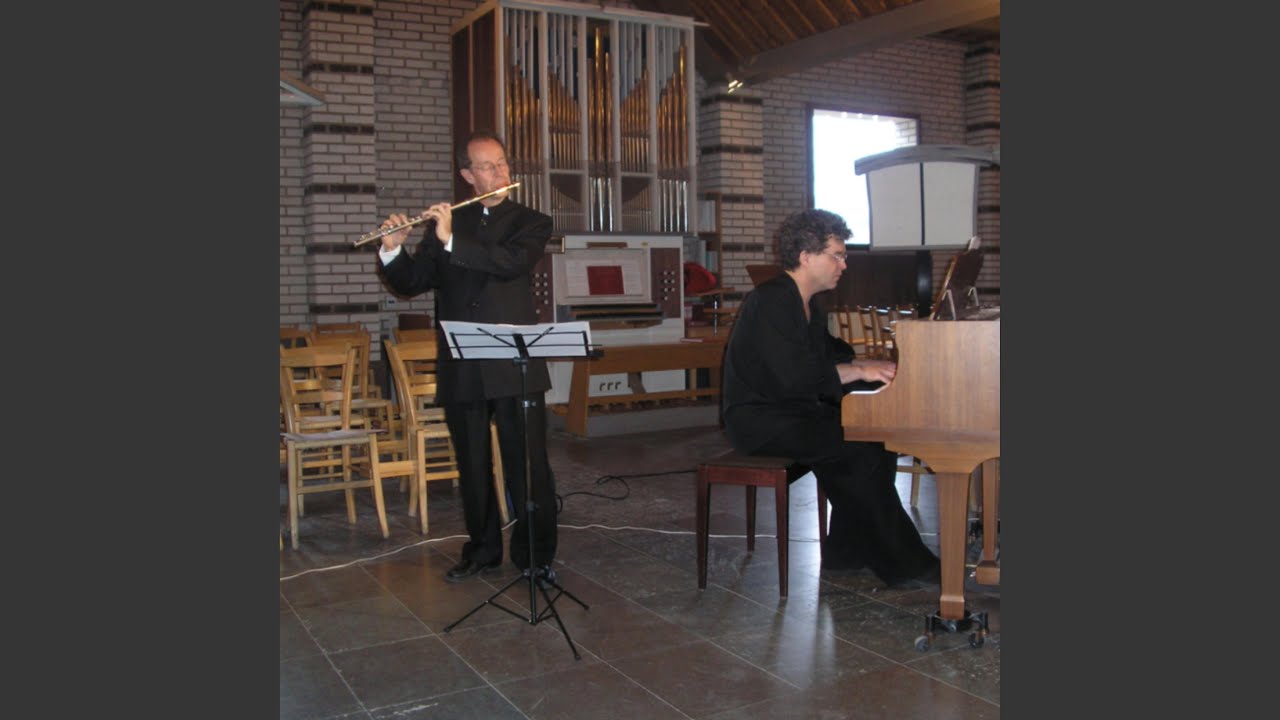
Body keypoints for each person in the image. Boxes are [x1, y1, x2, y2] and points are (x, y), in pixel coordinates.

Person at [374, 129, 558, 584]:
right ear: (467, 175)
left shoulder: (532, 221)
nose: (499, 172)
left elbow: (510, 263)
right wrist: (393, 250)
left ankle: (535, 556)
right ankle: (482, 551)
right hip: (463, 364)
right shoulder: (448, 223)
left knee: (527, 465)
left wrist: (452, 240)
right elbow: (412, 282)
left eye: (502, 163)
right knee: (472, 464)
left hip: (514, 364)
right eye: (487, 167)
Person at [721, 208, 940, 586]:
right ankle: (906, 563)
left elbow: (830, 353)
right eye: (837, 255)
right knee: (858, 447)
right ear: (806, 256)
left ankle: (846, 552)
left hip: (794, 414)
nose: (844, 264)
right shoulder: (772, 300)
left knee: (873, 436)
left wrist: (867, 364)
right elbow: (793, 377)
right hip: (761, 422)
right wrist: (858, 371)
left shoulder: (807, 302)